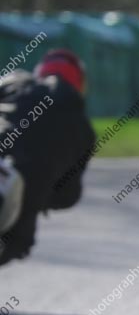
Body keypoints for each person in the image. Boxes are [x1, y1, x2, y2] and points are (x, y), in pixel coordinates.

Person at [0, 49, 96, 266]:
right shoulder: (83, 129)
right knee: (16, 240)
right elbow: (67, 195)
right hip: (16, 214)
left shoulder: (14, 81)